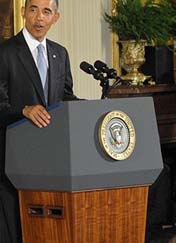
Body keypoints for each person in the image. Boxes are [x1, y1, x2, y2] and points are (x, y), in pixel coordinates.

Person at [0, 0, 78, 242]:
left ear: (56, 17)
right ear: (23, 12)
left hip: (51, 160)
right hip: (12, 158)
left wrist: (89, 106)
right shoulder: (5, 52)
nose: (39, 18)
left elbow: (64, 97)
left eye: (46, 12)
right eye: (33, 9)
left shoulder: (60, 53)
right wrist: (23, 110)